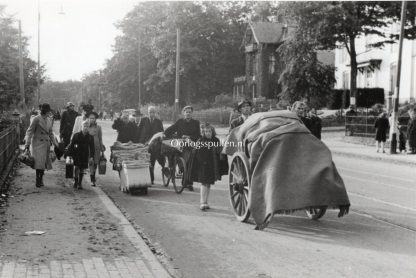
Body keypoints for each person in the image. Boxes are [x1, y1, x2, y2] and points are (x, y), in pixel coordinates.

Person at [165, 105, 200, 190]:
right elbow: (171, 129)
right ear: (183, 113)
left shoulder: (196, 123)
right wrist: (165, 133)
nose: (188, 114)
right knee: (172, 154)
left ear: (192, 113)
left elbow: (198, 135)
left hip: (190, 144)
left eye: (190, 112)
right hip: (180, 144)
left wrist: (189, 137)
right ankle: (170, 169)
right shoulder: (180, 122)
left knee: (190, 162)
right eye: (186, 112)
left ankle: (188, 183)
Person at [193, 123, 227, 210]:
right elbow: (198, 154)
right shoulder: (201, 141)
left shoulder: (216, 140)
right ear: (203, 133)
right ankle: (202, 202)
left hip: (212, 165)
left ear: (212, 132)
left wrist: (223, 149)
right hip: (203, 165)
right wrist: (202, 162)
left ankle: (206, 202)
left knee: (209, 184)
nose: (208, 133)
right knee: (204, 183)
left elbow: (220, 151)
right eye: (206, 132)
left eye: (209, 131)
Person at [24, 103, 55, 188]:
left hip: (46, 144)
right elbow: (29, 131)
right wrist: (27, 144)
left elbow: (51, 133)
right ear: (46, 111)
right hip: (37, 144)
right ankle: (38, 180)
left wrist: (56, 144)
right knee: (39, 163)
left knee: (43, 163)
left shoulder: (49, 120)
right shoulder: (36, 119)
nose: (50, 113)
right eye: (49, 111)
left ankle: (41, 179)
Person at [137, 106, 165, 184]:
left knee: (152, 160)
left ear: (155, 113)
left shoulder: (158, 121)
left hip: (155, 144)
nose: (151, 114)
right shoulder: (143, 120)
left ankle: (152, 178)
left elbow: (161, 132)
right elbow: (139, 131)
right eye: (150, 112)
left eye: (153, 112)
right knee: (147, 161)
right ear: (148, 112)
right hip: (144, 143)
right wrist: (138, 142)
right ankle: (150, 178)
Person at [66, 120, 95, 189]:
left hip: (85, 154)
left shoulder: (90, 137)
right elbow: (72, 145)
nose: (86, 128)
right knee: (76, 167)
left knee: (82, 169)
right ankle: (76, 181)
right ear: (82, 127)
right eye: (84, 126)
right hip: (77, 154)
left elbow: (92, 148)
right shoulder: (76, 135)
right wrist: (70, 155)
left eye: (87, 126)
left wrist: (91, 157)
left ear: (89, 128)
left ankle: (80, 183)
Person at [87, 111, 105, 186]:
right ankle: (92, 180)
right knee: (90, 163)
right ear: (88, 119)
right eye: (90, 118)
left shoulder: (98, 127)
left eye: (93, 118)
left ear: (95, 119)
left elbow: (100, 139)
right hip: (88, 148)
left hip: (97, 148)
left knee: (95, 164)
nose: (92, 119)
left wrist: (102, 149)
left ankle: (93, 179)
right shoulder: (86, 127)